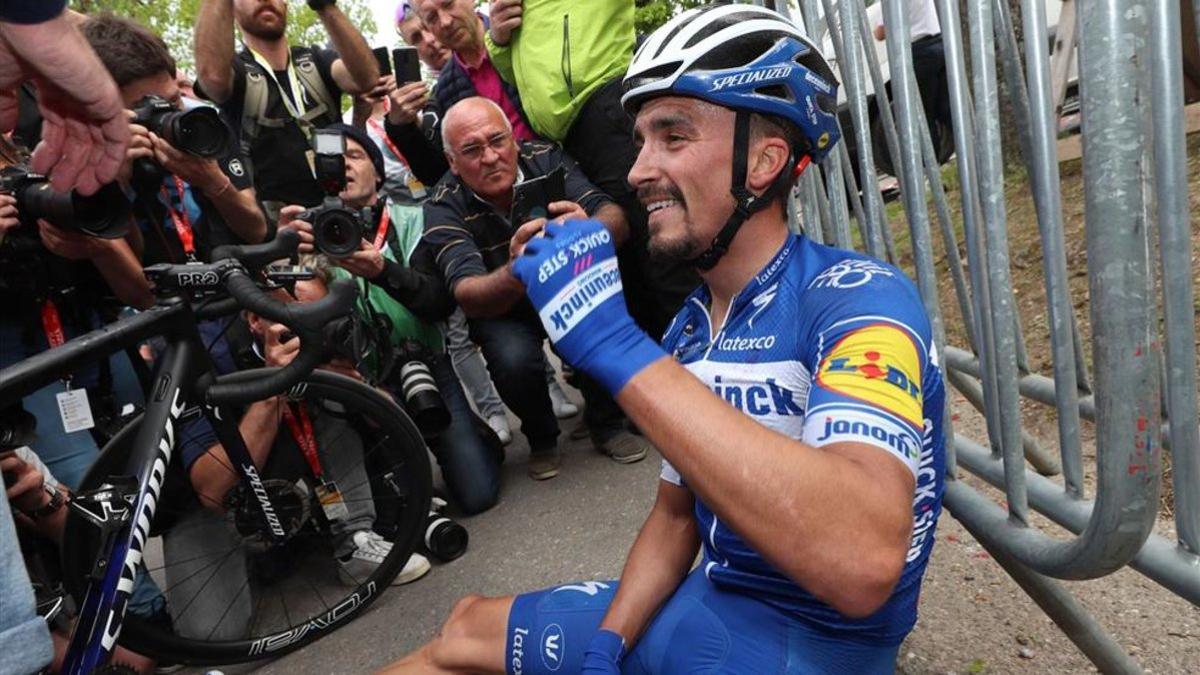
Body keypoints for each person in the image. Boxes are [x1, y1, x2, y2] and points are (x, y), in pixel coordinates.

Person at [383, 5, 946, 673]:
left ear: (764, 160)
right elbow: (677, 519)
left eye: (672, 137)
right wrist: (607, 644)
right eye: (640, 138)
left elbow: (862, 563)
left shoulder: (858, 296)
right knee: (464, 623)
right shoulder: (690, 325)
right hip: (711, 604)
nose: (640, 168)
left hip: (813, 643)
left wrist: (617, 345)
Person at [163, 274, 431, 641]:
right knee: (211, 632)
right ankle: (260, 556)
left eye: (314, 315)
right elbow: (211, 490)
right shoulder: (204, 353)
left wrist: (351, 384)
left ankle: (354, 541)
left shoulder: (331, 334)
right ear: (255, 320)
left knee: (333, 406)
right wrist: (273, 386)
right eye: (293, 316)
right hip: (208, 500)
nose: (308, 327)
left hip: (290, 459)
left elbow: (395, 426)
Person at [0, 2, 133, 670]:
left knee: (132, 584)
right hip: (14, 348)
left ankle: (118, 629)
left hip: (56, 324)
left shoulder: (35, 114)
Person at [278, 123, 501, 515]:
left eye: (355, 156)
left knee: (479, 494)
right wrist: (285, 256)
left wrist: (383, 270)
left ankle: (472, 434)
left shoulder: (416, 218)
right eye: (333, 160)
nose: (344, 166)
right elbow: (295, 316)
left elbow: (439, 303)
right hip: (364, 380)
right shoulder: (312, 234)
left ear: (378, 172)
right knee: (403, 509)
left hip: (428, 363)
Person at [421, 97, 647, 480]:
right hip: (503, 303)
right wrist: (520, 268)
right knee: (512, 359)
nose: (490, 157)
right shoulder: (442, 205)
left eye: (497, 141)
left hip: (567, 283)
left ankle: (606, 423)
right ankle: (541, 436)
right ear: (452, 162)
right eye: (472, 150)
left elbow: (615, 217)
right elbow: (467, 292)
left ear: (513, 140)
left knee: (595, 318)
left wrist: (590, 229)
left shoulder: (544, 156)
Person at [485, 0, 699, 343]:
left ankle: (709, 367)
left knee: (662, 256)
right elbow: (530, 75)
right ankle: (667, 379)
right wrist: (498, 41)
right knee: (624, 273)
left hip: (607, 110)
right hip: (568, 141)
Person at [81, 13, 267, 267]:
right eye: (146, 107)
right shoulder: (81, 158)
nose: (167, 117)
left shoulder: (203, 125)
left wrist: (213, 182)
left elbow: (256, 231)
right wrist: (117, 184)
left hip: (231, 285)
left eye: (172, 101)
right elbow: (130, 278)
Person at [193, 0, 380, 218]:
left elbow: (366, 79)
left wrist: (325, 6)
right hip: (278, 228)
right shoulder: (236, 71)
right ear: (231, 8)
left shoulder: (315, 62)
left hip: (339, 216)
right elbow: (213, 78)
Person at [872, 0, 950, 153]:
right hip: (939, 44)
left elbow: (880, 33)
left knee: (923, 112)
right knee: (947, 107)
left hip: (919, 52)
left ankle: (931, 162)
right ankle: (972, 149)